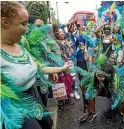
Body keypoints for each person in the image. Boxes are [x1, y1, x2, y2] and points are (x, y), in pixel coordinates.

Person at [1, 1, 72, 129]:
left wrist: (61, 68)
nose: (28, 29)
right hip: (15, 111)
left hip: (36, 98)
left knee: (48, 123)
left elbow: (38, 67)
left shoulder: (21, 44)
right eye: (23, 24)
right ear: (5, 22)